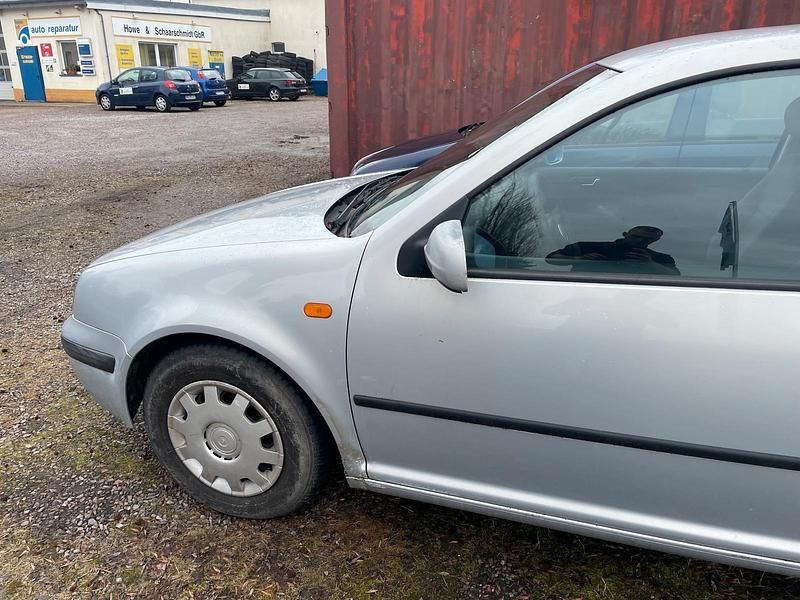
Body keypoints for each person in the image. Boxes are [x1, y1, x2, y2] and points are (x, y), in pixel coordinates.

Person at [545, 226, 680, 275]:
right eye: (636, 237)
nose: (639, 241)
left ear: (655, 241)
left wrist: (651, 264)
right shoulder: (587, 247)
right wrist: (580, 259)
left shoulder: (662, 259)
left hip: (637, 299)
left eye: (646, 240)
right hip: (582, 292)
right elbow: (551, 259)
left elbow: (675, 276)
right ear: (625, 234)